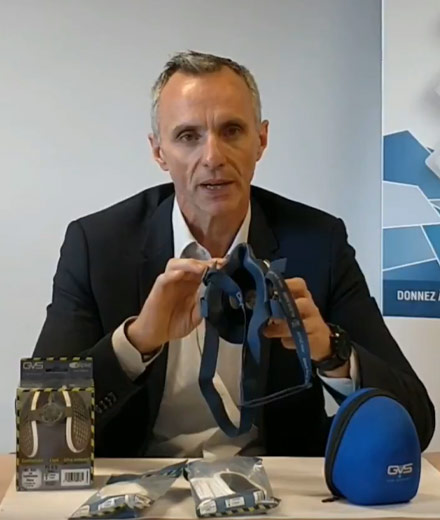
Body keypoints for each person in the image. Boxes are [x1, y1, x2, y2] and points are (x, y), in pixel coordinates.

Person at [34, 51, 435, 458]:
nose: (213, 157)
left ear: (261, 140)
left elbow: (415, 423)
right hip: (138, 485)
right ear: (159, 152)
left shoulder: (320, 243)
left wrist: (332, 352)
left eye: (231, 131)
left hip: (278, 486)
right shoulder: (97, 245)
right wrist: (136, 342)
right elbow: (43, 434)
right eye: (188, 136)